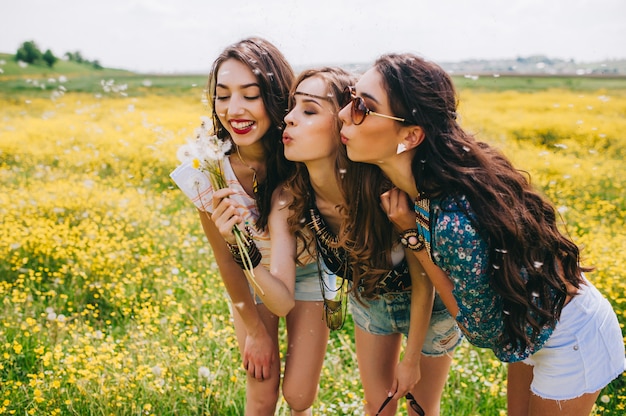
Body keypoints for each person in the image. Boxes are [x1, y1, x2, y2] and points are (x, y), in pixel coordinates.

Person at [338, 52, 626, 416]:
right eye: (351, 96)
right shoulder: (430, 182)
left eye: (363, 106)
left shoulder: (453, 220)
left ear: (410, 135)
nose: (344, 113)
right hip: (535, 323)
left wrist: (413, 236)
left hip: (570, 337)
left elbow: (485, 332)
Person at [281, 67, 462, 416]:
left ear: (342, 128)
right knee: (378, 405)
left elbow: (424, 279)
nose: (288, 119)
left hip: (427, 303)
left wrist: (410, 361)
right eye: (293, 106)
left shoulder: (386, 193)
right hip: (371, 299)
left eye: (309, 110)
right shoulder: (298, 194)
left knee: (422, 407)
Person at [173, 37, 330, 416]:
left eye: (250, 95)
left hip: (307, 273)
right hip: (252, 277)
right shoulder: (206, 167)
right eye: (223, 96)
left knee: (298, 396)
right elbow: (226, 260)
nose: (234, 109)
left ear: (275, 97)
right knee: (261, 391)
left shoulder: (299, 151)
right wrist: (256, 332)